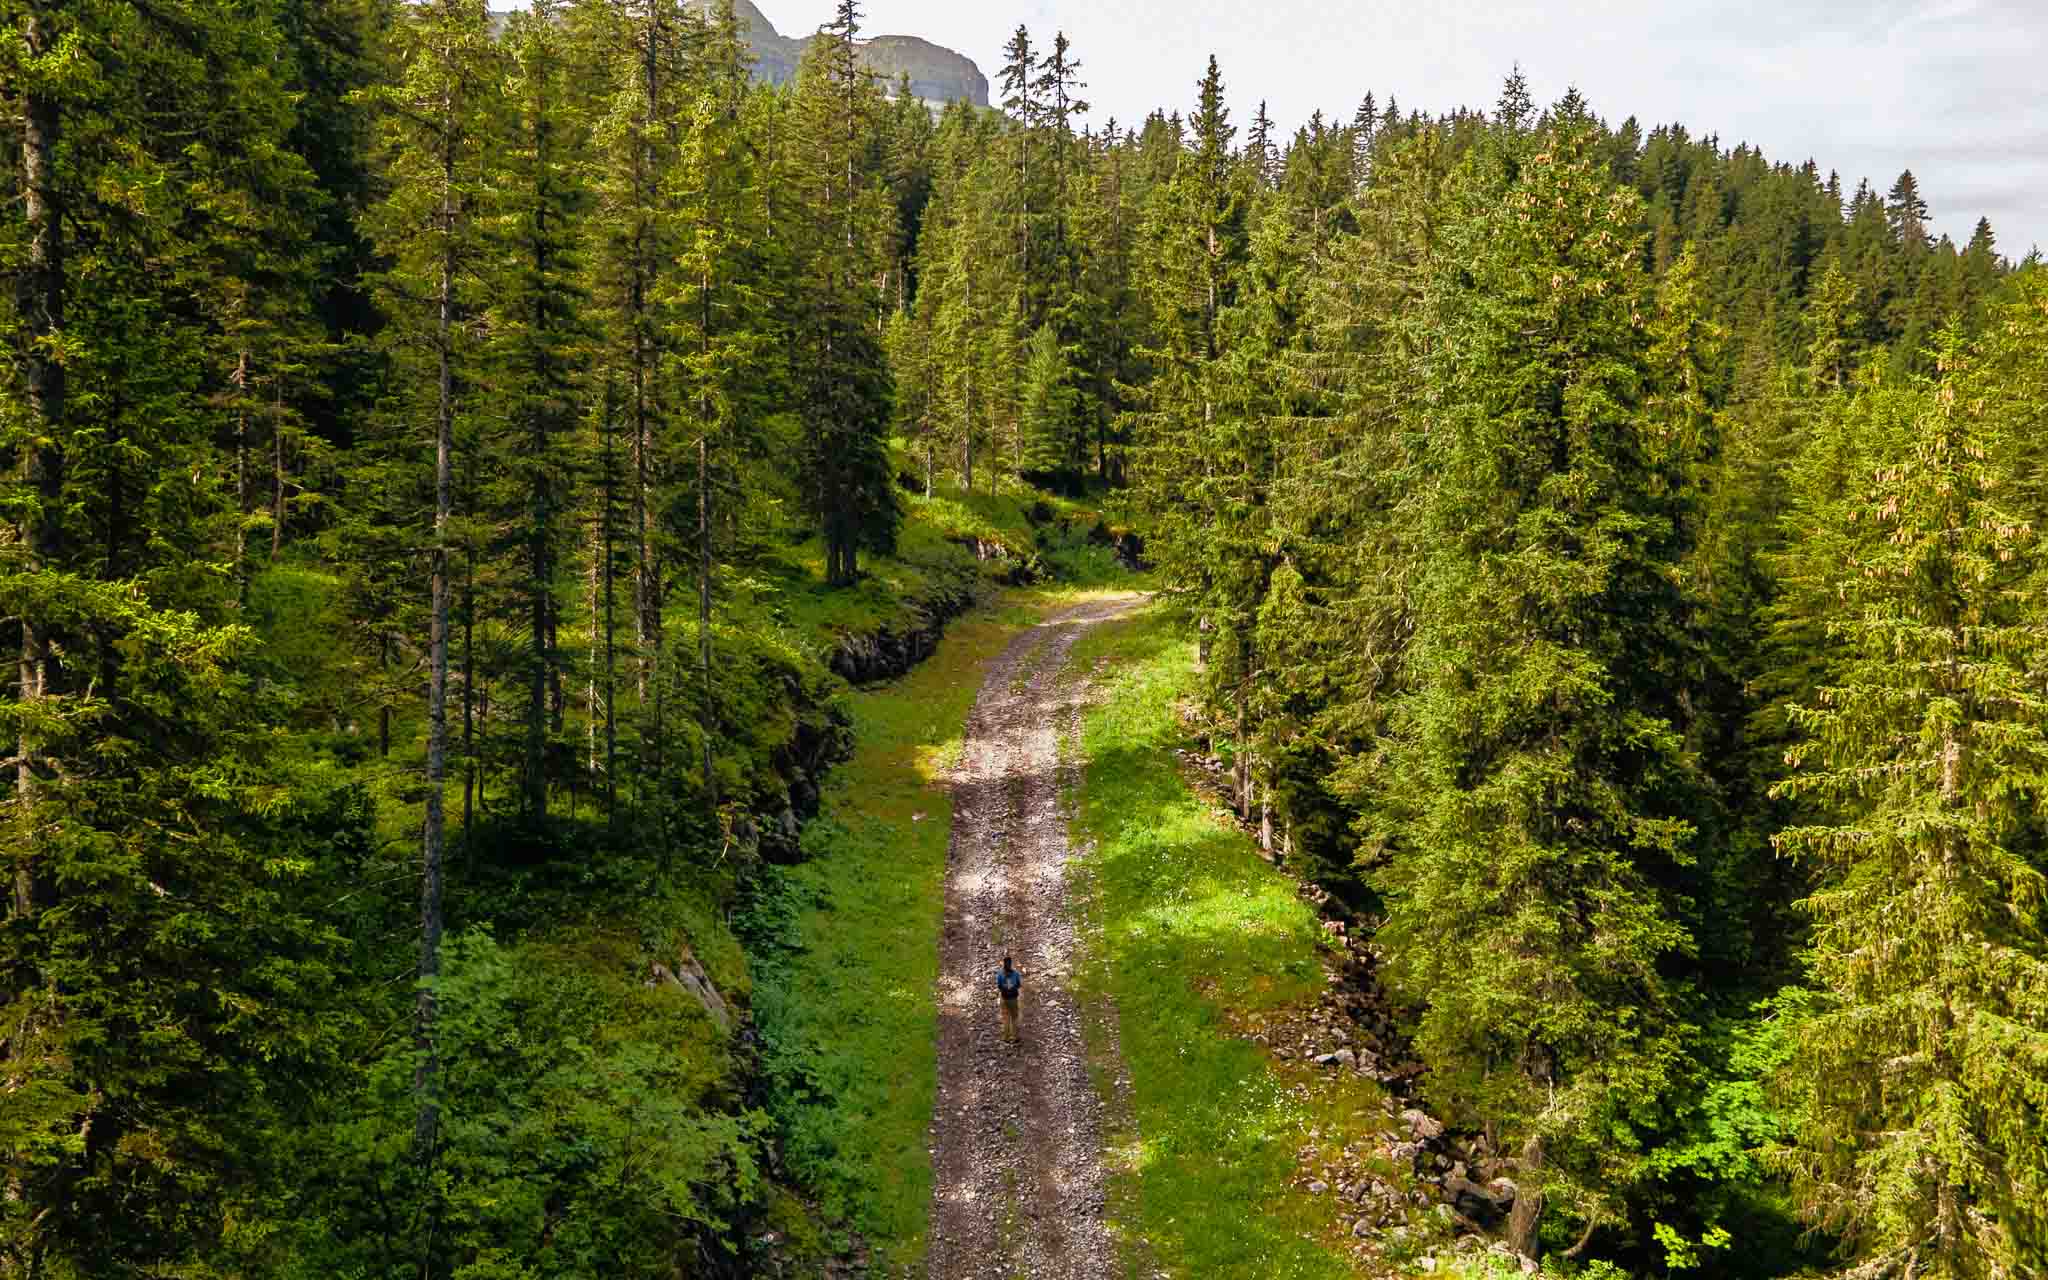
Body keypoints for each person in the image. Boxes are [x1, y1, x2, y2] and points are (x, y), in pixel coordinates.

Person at [996, 954, 1022, 1043]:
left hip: (1004, 998)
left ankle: (1006, 1037)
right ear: (1011, 963)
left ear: (1003, 964)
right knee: (1014, 1017)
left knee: (1005, 1018)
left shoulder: (1000, 974)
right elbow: (1019, 985)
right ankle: (1015, 1037)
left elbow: (999, 986)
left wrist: (1005, 989)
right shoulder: (1015, 973)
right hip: (1013, 998)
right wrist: (1012, 988)